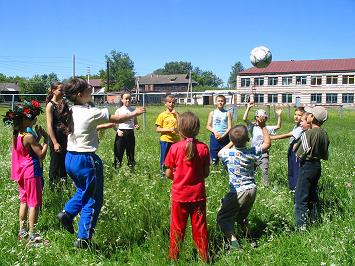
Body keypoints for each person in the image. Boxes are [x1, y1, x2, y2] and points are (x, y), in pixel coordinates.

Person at [56, 78, 145, 248]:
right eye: (89, 89)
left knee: (82, 191)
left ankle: (68, 212)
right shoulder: (91, 112)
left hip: (70, 158)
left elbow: (93, 127)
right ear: (80, 94)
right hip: (86, 160)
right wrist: (135, 113)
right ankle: (83, 238)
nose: (92, 90)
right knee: (93, 199)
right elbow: (118, 118)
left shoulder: (71, 110)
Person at [217, 117, 271, 250]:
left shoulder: (228, 153)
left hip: (237, 191)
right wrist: (263, 126)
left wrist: (231, 142)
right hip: (252, 189)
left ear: (232, 140)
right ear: (248, 140)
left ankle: (236, 246)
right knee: (242, 218)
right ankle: (251, 241)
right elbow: (267, 144)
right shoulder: (252, 151)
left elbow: (219, 153)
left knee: (223, 218)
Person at [164, 112, 210, 262]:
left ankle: (174, 258)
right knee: (200, 228)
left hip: (180, 196)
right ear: (197, 129)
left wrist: (179, 178)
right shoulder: (203, 148)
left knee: (177, 229)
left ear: (179, 129)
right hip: (198, 195)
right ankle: (204, 258)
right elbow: (205, 173)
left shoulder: (175, 148)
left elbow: (168, 173)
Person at [3, 100, 49, 244]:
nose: (34, 119)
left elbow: (27, 149)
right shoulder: (28, 136)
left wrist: (38, 138)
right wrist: (46, 139)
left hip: (22, 173)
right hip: (31, 172)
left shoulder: (17, 134)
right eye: (32, 117)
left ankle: (22, 231)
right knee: (33, 203)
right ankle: (32, 235)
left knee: (24, 201)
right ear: (24, 120)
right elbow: (41, 154)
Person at [293, 106, 329, 230]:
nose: (306, 114)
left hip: (307, 166)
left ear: (312, 118)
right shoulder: (324, 134)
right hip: (317, 166)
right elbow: (325, 154)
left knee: (300, 198)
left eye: (309, 113)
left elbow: (297, 151)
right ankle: (314, 222)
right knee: (312, 195)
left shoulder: (308, 133)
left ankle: (301, 228)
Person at [243, 102, 282, 186]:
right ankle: (250, 184)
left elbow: (278, 126)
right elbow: (244, 119)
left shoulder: (266, 128)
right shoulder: (252, 126)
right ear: (255, 118)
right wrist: (248, 108)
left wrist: (279, 115)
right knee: (251, 170)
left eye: (262, 116)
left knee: (264, 170)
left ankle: (265, 186)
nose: (260, 118)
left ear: (265, 118)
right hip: (253, 152)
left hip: (263, 153)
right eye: (258, 116)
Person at [270, 107, 305, 191]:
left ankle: (296, 189)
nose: (296, 117)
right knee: (291, 170)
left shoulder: (301, 127)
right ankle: (292, 188)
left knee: (296, 171)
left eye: (299, 115)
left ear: (303, 117)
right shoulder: (296, 126)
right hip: (292, 150)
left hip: (297, 152)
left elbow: (289, 135)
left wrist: (272, 138)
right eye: (295, 114)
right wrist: (279, 115)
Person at [45, 81, 70, 187]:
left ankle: (64, 185)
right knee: (55, 164)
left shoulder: (64, 103)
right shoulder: (50, 105)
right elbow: (50, 126)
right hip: (56, 137)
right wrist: (55, 142)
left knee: (65, 163)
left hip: (65, 137)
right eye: (60, 89)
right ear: (53, 91)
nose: (63, 92)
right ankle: (53, 187)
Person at [113, 92, 139, 168]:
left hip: (130, 133)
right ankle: (117, 167)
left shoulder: (133, 110)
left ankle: (131, 168)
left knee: (130, 152)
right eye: (126, 99)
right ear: (122, 100)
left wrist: (136, 125)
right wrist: (117, 131)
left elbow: (135, 122)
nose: (128, 100)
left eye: (129, 99)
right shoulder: (118, 110)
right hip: (121, 133)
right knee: (118, 152)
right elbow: (113, 124)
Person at [155, 95, 180, 173]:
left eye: (173, 102)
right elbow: (157, 129)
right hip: (165, 140)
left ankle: (174, 172)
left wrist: (177, 115)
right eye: (169, 102)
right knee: (164, 157)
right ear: (165, 104)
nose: (171, 104)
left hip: (175, 140)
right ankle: (163, 172)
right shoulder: (162, 115)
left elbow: (181, 125)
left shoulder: (176, 114)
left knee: (175, 158)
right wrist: (168, 130)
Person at [206, 95, 232, 165]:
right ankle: (215, 165)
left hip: (225, 137)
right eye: (219, 101)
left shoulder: (228, 113)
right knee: (214, 154)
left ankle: (225, 168)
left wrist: (223, 136)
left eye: (222, 101)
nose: (220, 102)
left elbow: (230, 127)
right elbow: (208, 126)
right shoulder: (212, 113)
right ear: (216, 102)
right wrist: (215, 132)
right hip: (214, 137)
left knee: (226, 154)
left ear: (225, 102)